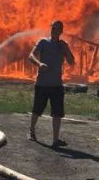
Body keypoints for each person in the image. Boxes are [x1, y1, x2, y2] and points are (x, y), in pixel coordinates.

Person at [28, 20, 75, 148]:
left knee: (57, 113)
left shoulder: (63, 45)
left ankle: (55, 140)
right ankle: (31, 131)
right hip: (42, 83)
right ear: (51, 29)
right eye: (54, 28)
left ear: (61, 31)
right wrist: (39, 64)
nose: (56, 30)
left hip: (57, 84)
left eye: (59, 28)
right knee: (37, 110)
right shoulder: (43, 42)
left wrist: (66, 49)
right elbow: (31, 56)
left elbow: (71, 62)